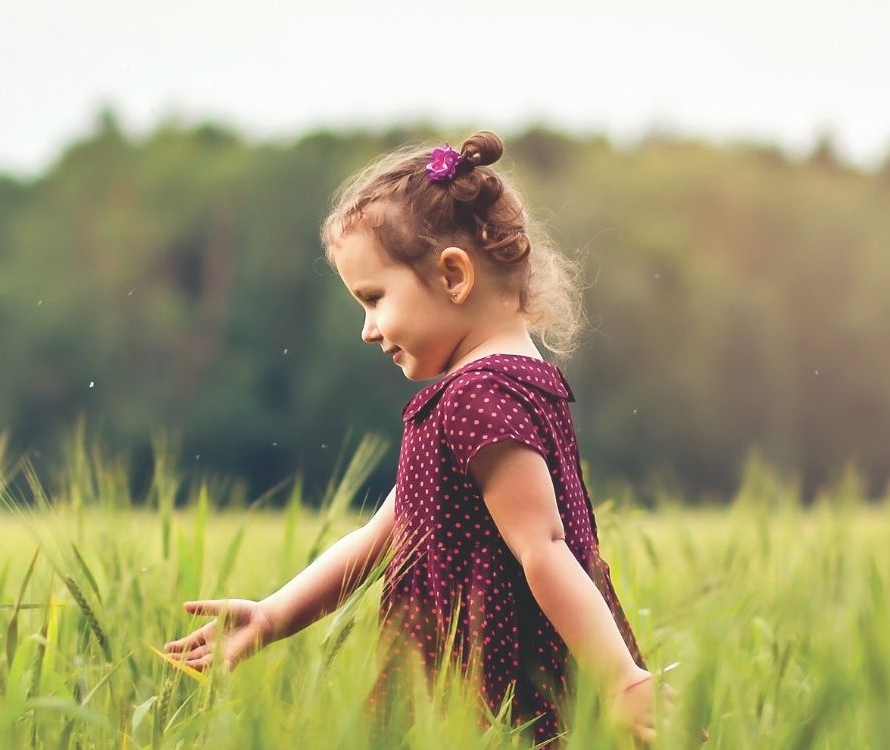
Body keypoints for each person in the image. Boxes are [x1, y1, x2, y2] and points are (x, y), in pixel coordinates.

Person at [163, 131, 668, 745]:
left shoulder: (477, 397)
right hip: (479, 681)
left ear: (454, 275)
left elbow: (544, 548)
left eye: (374, 300)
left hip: (488, 688)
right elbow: (387, 535)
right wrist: (272, 615)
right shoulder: (510, 388)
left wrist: (618, 680)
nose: (368, 330)